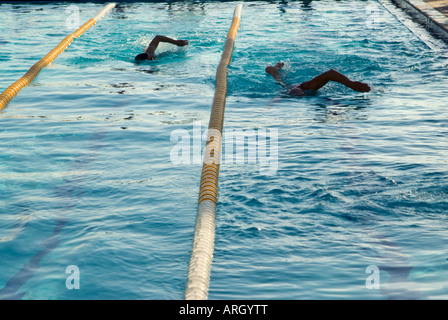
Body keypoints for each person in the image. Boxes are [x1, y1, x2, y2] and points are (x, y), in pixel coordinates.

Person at [265, 61, 371, 96]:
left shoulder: (306, 86)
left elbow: (331, 73)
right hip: (289, 88)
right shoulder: (298, 91)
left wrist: (350, 84)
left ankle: (274, 69)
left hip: (293, 87)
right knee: (281, 82)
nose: (298, 94)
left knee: (281, 82)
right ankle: (274, 69)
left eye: (297, 92)